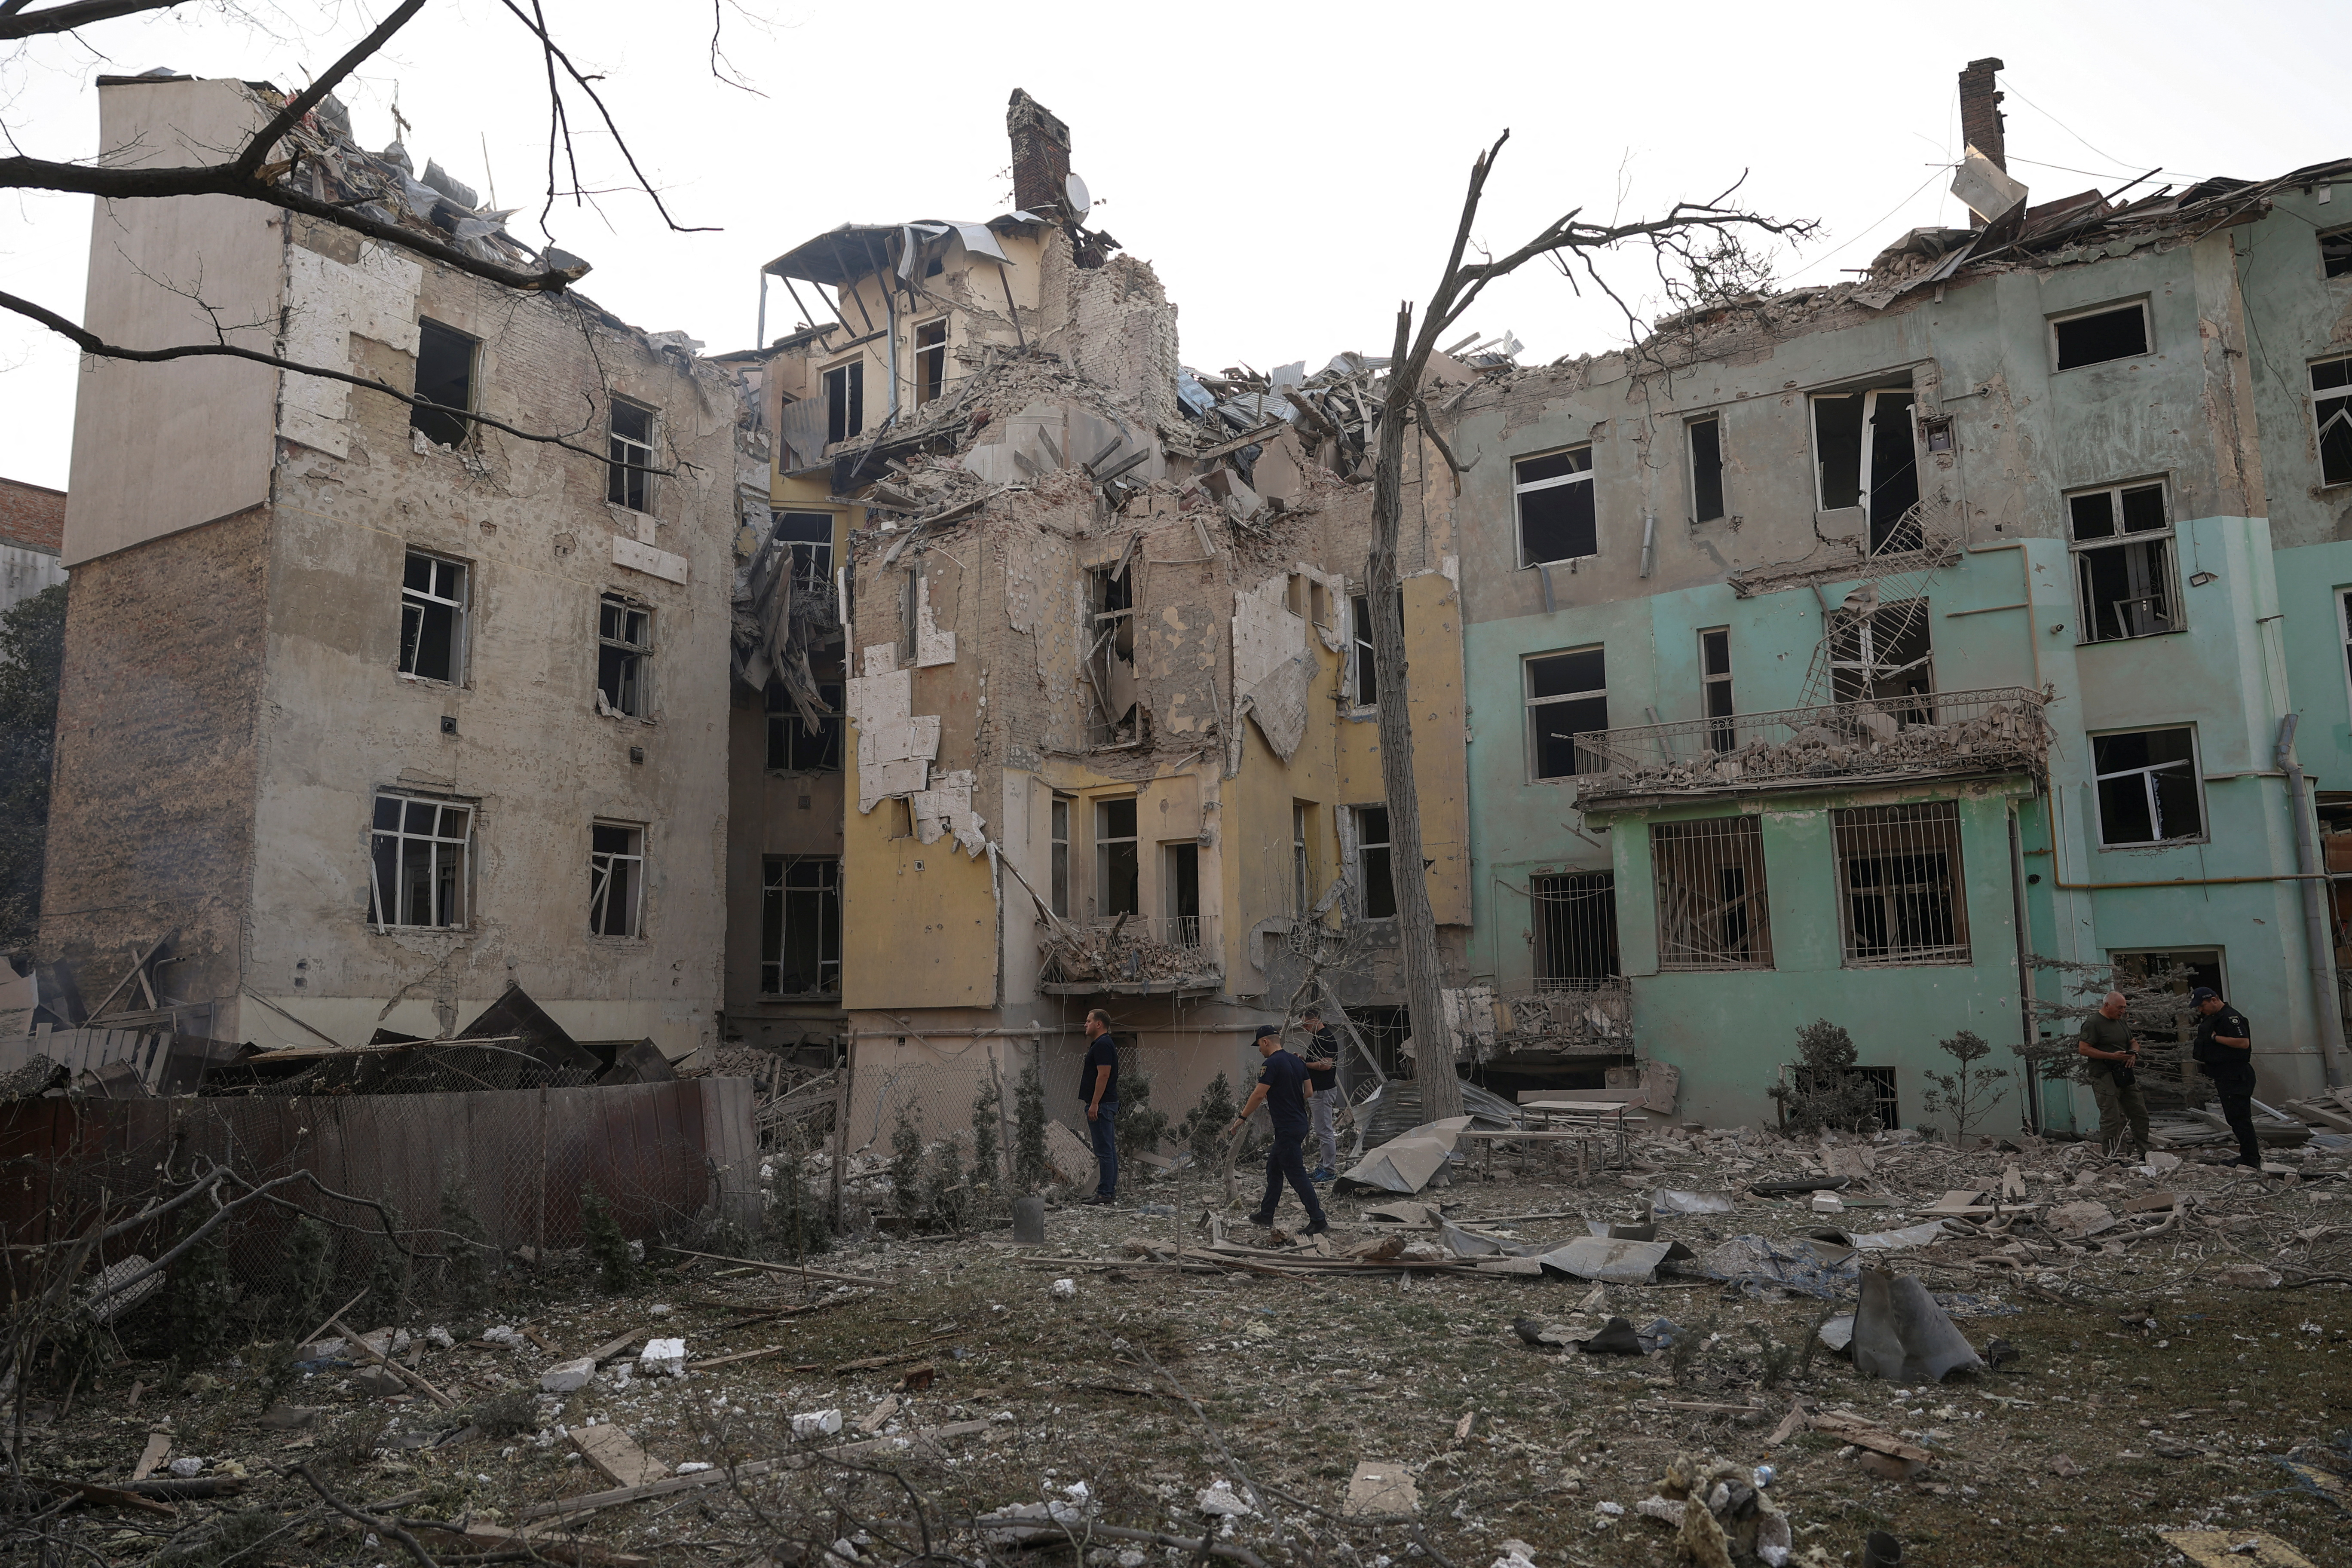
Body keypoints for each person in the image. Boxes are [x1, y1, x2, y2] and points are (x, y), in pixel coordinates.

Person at [1229, 1024, 1328, 1234]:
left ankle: (1318, 1219)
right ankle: (1267, 1214)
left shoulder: (1271, 1064)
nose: (1259, 1050)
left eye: (1259, 1046)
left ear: (1266, 1042)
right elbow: (1309, 1092)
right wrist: (1289, 1098)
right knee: (1274, 1167)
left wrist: (1242, 1118)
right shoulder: (1297, 1061)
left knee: (1296, 1173)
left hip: (1287, 1127)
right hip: (1300, 1123)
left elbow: (1258, 1094)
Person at [2189, 986, 2263, 1172]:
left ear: (2215, 1000)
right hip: (2225, 1074)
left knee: (2240, 1118)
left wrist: (2217, 1039)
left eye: (2203, 1005)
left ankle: (2251, 1158)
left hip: (2236, 1075)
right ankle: (2248, 1155)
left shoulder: (2231, 1017)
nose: (2201, 1010)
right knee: (2234, 1118)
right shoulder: (2213, 1017)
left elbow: (2243, 1042)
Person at [2076, 990, 2149, 1161]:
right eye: (2120, 1007)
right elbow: (2083, 1049)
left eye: (2124, 1008)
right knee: (2112, 1117)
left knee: (2139, 1113)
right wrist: (2111, 1056)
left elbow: (2133, 1042)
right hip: (2104, 1074)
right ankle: (2111, 1156)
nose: (2123, 1011)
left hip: (2124, 1073)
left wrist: (2133, 1054)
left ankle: (2145, 1152)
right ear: (2107, 1005)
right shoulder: (2093, 1023)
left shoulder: (2121, 1022)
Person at [1079, 1007, 1119, 1206]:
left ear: (1099, 1024)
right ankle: (1108, 1192)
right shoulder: (1102, 1044)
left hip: (1102, 1105)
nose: (1085, 1025)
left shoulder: (1103, 1045)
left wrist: (1095, 1103)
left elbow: (1103, 1075)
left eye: (1088, 1021)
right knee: (1109, 1150)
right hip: (1104, 1104)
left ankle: (1105, 1193)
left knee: (1104, 1151)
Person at [1298, 1006, 1342, 1182]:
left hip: (1323, 1090)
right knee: (1322, 1131)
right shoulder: (1319, 1038)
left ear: (1315, 1019)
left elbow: (1326, 1065)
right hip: (1318, 1090)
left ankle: (1329, 1170)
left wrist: (1305, 1065)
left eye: (1306, 1024)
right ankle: (1323, 1166)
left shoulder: (1326, 1038)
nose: (1304, 1028)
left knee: (1325, 1131)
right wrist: (1304, 1061)